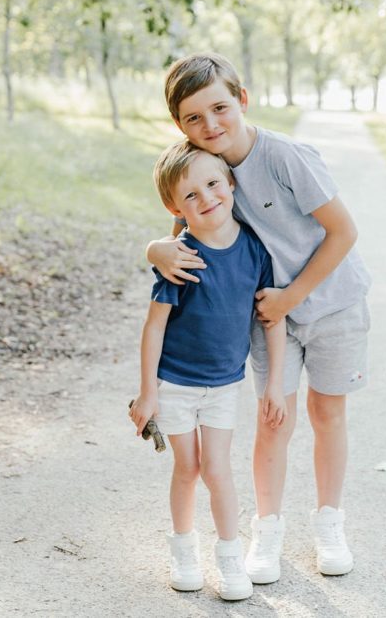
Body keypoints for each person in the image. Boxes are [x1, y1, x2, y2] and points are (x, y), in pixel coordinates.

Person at [147, 52, 371, 583]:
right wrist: (155, 247)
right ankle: (266, 531)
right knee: (274, 421)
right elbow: (182, 229)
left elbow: (344, 232)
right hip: (269, 317)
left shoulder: (287, 157)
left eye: (220, 108)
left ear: (242, 101)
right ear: (179, 125)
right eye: (193, 118)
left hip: (332, 301)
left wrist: (292, 296)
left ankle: (328, 524)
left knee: (327, 413)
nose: (210, 125)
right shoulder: (204, 169)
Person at [130, 141, 287, 601]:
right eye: (191, 195)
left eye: (213, 184)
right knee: (187, 467)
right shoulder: (179, 256)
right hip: (176, 385)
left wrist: (274, 384)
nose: (207, 199)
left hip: (224, 387)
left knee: (218, 470)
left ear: (231, 182)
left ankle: (230, 559)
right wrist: (148, 393)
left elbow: (270, 318)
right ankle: (183, 553)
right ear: (174, 207)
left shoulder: (255, 252)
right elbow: (154, 326)